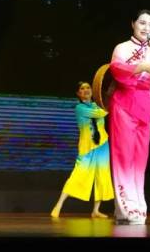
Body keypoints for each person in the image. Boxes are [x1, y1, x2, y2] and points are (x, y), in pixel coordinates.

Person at [108, 9, 150, 225]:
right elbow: (117, 70)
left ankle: (135, 206)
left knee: (139, 159)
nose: (147, 28)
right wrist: (143, 66)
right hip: (124, 104)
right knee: (123, 156)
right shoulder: (122, 47)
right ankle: (127, 207)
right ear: (133, 24)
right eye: (142, 23)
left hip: (145, 106)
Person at [51, 81, 114, 218]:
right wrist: (108, 98)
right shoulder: (79, 108)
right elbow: (101, 113)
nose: (86, 90)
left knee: (102, 176)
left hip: (102, 145)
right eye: (82, 88)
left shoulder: (97, 105)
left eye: (88, 87)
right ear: (78, 93)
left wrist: (108, 97)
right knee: (78, 174)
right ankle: (59, 205)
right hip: (87, 147)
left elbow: (102, 111)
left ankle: (95, 210)